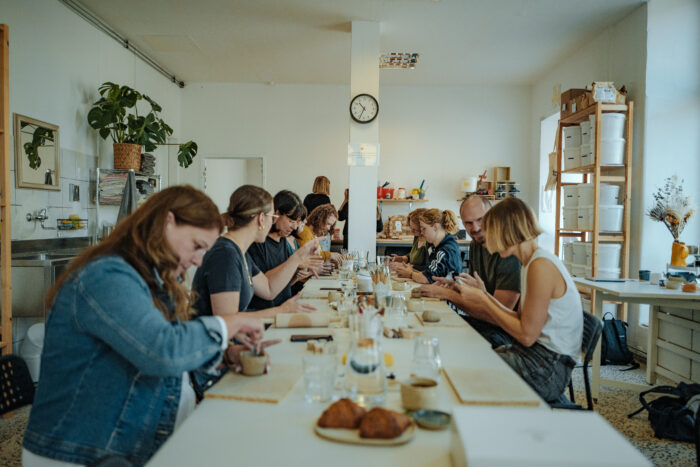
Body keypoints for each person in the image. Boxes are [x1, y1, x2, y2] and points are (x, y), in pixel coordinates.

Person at [22, 186, 268, 466]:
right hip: (82, 453)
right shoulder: (107, 276)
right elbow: (162, 349)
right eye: (197, 246)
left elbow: (167, 348)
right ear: (167, 221)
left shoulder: (156, 281)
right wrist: (229, 324)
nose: (199, 260)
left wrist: (225, 355)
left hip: (131, 445)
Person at [452, 198, 583, 402]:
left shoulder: (540, 266)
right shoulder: (529, 262)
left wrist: (483, 299)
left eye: (489, 229)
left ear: (506, 231)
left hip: (547, 368)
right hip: (535, 356)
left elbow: (527, 335)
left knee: (462, 374)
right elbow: (520, 320)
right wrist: (484, 295)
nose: (485, 237)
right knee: (462, 359)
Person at [191, 185, 319, 320]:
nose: (273, 222)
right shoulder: (225, 254)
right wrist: (280, 311)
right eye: (272, 216)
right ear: (261, 219)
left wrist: (299, 256)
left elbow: (269, 289)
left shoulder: (240, 252)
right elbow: (226, 321)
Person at [419, 196, 521, 347]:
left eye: (481, 219)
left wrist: (447, 294)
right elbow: (476, 292)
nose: (475, 228)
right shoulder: (476, 244)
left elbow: (498, 317)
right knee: (429, 330)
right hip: (483, 322)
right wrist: (455, 286)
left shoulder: (510, 250)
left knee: (448, 344)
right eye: (468, 223)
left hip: (505, 334)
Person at [248, 190, 323, 310]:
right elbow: (265, 285)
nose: (294, 227)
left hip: (285, 308)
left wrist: (297, 274)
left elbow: (284, 285)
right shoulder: (259, 243)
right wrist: (296, 260)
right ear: (276, 214)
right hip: (267, 312)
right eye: (291, 221)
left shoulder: (282, 240)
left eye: (297, 223)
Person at [394, 208, 462, 283]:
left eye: (424, 228)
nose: (421, 232)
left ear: (435, 227)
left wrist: (410, 273)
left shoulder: (445, 250)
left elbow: (426, 278)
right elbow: (428, 270)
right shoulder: (436, 246)